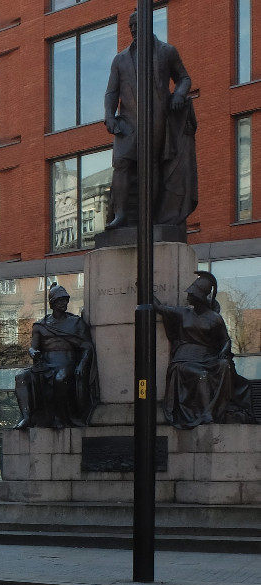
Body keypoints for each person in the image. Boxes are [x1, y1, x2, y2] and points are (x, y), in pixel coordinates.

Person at [104, 11, 196, 229]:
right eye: (130, 26)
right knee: (121, 163)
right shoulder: (120, 59)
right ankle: (121, 214)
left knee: (151, 166)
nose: (133, 29)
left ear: (148, 23)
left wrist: (179, 95)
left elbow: (184, 78)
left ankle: (150, 214)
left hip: (156, 119)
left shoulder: (167, 51)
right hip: (127, 123)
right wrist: (109, 115)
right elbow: (111, 92)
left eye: (136, 25)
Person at [155, 271, 255, 428]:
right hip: (185, 359)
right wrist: (143, 286)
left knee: (224, 366)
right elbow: (158, 307)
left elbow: (226, 340)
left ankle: (215, 411)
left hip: (207, 358)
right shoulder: (183, 313)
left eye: (192, 294)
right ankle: (206, 413)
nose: (189, 296)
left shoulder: (214, 318)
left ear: (200, 297)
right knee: (202, 376)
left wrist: (223, 351)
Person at [14, 284, 99, 429]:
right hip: (46, 364)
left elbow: (87, 347)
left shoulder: (76, 322)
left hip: (67, 362)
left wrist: (82, 365)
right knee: (21, 378)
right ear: (52, 303)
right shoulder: (40, 326)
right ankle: (26, 417)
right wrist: (34, 353)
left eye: (65, 300)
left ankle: (59, 417)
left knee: (61, 378)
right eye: (60, 300)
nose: (64, 303)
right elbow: (33, 347)